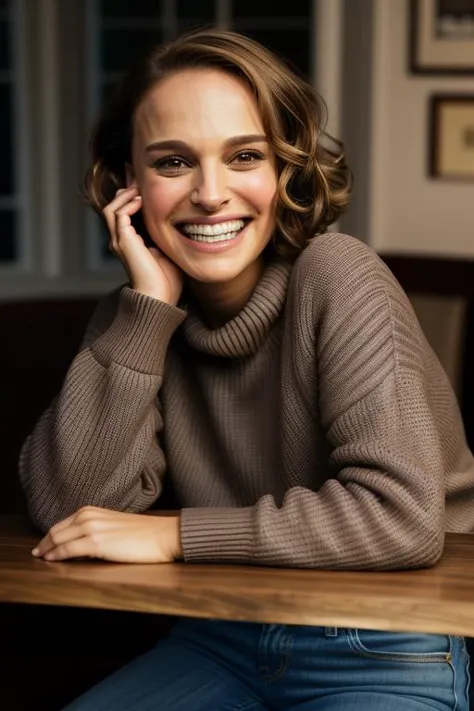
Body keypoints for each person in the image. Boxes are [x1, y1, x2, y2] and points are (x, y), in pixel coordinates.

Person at [19, 28, 474, 711]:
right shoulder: (137, 313)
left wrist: (174, 533)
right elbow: (66, 511)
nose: (210, 192)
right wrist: (146, 309)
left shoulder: (339, 274)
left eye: (244, 156)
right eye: (173, 161)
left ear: (285, 169)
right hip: (215, 632)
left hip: (379, 639)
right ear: (127, 183)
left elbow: (400, 517)